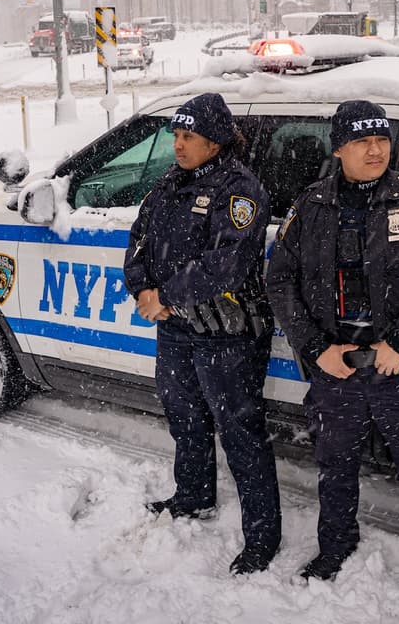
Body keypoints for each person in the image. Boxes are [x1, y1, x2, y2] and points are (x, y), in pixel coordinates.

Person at [266, 100, 399, 608]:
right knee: (335, 468)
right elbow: (280, 280)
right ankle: (335, 547)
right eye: (361, 141)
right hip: (336, 367)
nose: (375, 149)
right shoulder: (310, 205)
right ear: (339, 148)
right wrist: (314, 349)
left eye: (381, 140)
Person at [123, 92, 282, 576]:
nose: (178, 144)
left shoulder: (241, 190)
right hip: (176, 330)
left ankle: (262, 537)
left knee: (241, 434)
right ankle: (193, 497)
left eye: (188, 136)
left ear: (214, 141)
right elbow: (139, 241)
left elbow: (227, 265)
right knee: (185, 418)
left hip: (226, 334)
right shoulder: (170, 184)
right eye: (176, 134)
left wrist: (164, 296)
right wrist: (143, 289)